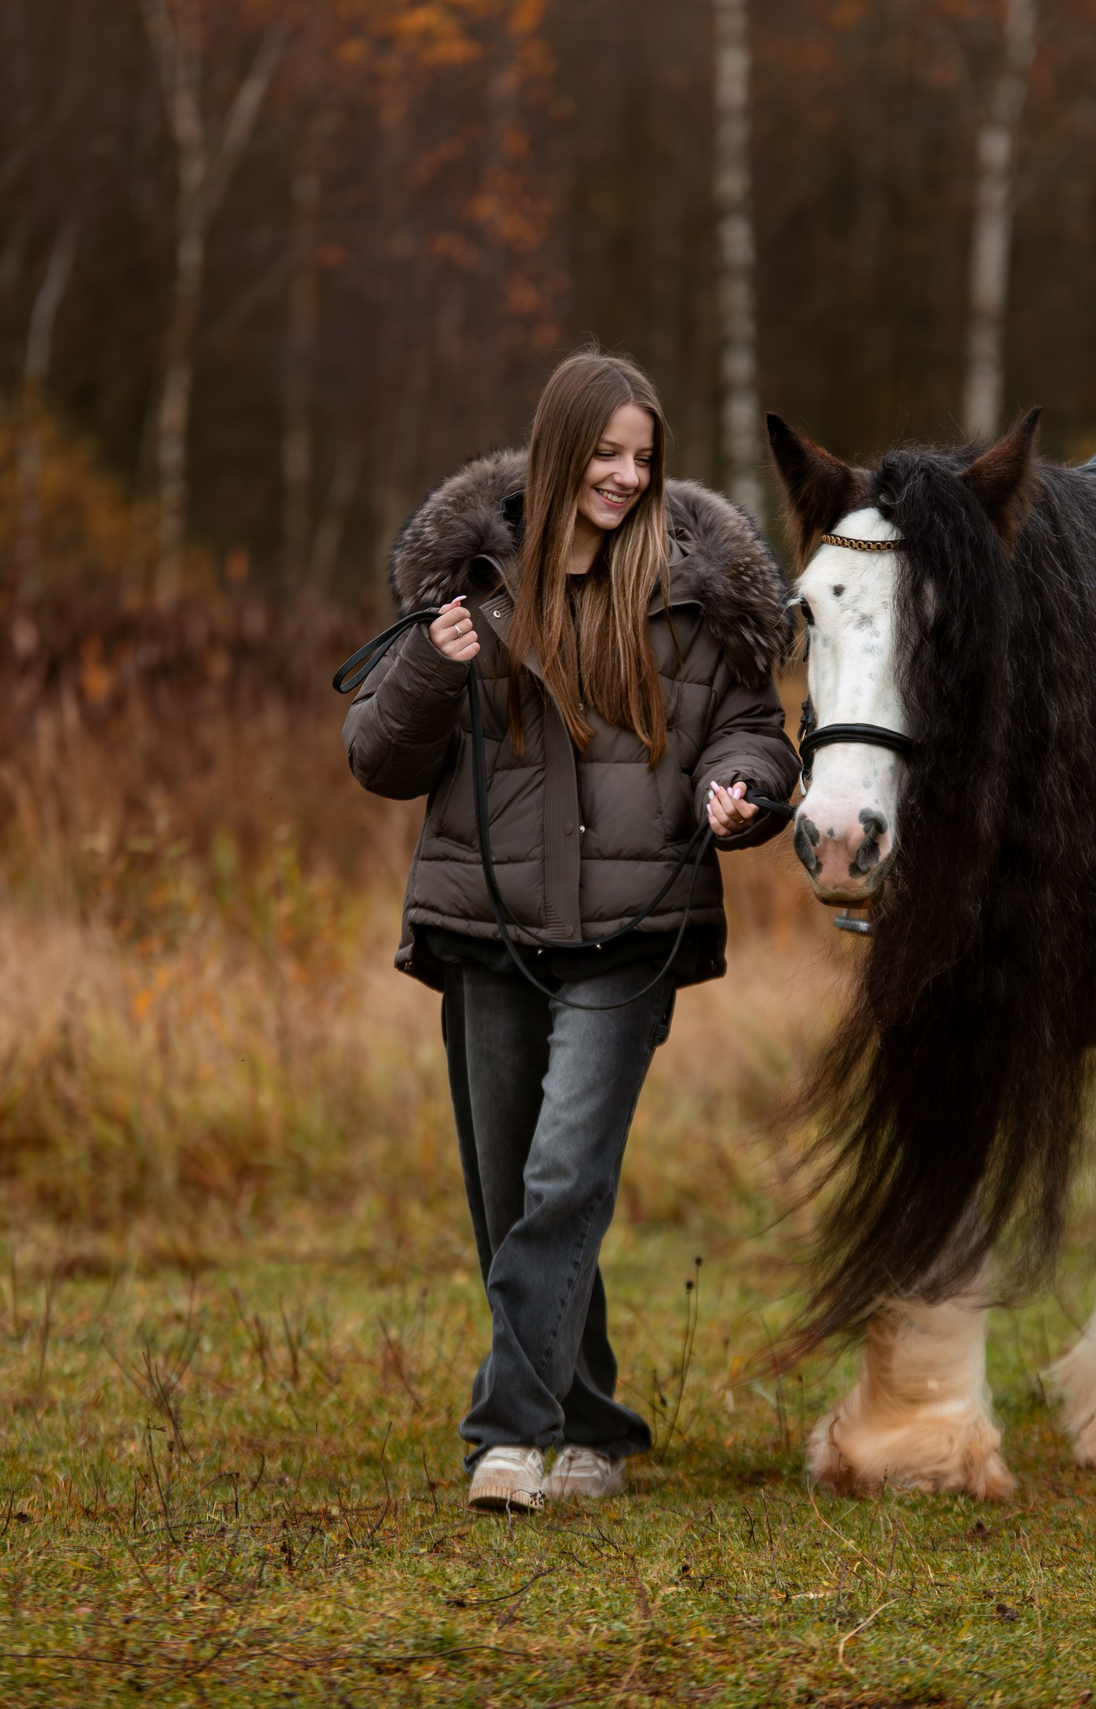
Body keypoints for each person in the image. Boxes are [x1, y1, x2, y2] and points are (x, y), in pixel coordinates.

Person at [343, 350, 798, 1513]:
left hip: (633, 930)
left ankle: (507, 1436)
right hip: (484, 929)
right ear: (558, 451)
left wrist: (741, 789)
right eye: (605, 454)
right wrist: (430, 676)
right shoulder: (470, 592)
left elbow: (753, 732)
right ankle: (594, 1421)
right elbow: (378, 761)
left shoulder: (696, 601)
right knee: (514, 1201)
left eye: (643, 459)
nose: (625, 476)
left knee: (562, 1177)